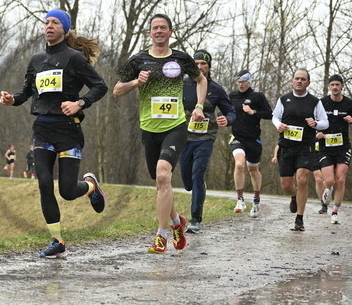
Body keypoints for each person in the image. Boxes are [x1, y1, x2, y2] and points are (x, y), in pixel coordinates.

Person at [0, 8, 108, 258]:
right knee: (45, 183)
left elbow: (100, 86)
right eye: (46, 22)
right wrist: (11, 99)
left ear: (65, 29)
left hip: (68, 130)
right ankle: (57, 241)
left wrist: (80, 103)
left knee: (68, 191)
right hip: (43, 129)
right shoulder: (36, 60)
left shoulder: (75, 58)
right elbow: (26, 92)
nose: (48, 25)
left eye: (55, 22)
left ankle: (90, 187)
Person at [114, 13, 208, 254]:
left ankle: (161, 236)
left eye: (163, 28)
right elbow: (116, 91)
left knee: (164, 177)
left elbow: (201, 80)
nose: (159, 31)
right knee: (159, 183)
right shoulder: (138, 60)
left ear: (170, 32)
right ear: (150, 33)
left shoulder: (181, 58)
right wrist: (136, 82)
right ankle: (177, 223)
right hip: (149, 129)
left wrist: (198, 107)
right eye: (155, 28)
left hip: (175, 126)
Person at [180, 49, 235, 233]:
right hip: (183, 138)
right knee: (188, 181)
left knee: (197, 174)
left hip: (205, 138)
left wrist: (227, 120)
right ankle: (198, 187)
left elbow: (231, 111)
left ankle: (195, 219)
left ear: (209, 67)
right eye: (196, 64)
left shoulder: (216, 89)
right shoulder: (182, 84)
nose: (200, 67)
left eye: (203, 64)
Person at [271, 69, 329, 232]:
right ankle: (293, 196)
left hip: (306, 147)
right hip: (287, 146)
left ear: (308, 83)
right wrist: (278, 125)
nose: (299, 81)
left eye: (303, 79)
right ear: (292, 81)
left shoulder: (314, 102)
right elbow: (274, 116)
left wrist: (316, 124)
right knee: (286, 185)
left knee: (302, 179)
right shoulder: (284, 99)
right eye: (297, 78)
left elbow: (326, 122)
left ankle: (299, 219)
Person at [315, 74, 352, 224]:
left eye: (338, 85)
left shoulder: (349, 104)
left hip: (343, 147)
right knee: (329, 180)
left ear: (342, 86)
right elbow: (312, 122)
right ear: (329, 87)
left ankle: (335, 212)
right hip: (325, 147)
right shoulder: (322, 103)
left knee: (340, 180)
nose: (335, 87)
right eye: (332, 85)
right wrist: (318, 132)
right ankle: (327, 191)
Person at [228, 69, 274, 218]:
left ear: (249, 81)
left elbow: (269, 114)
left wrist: (253, 112)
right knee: (239, 164)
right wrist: (224, 118)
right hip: (237, 137)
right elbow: (225, 111)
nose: (240, 85)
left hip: (253, 139)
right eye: (238, 82)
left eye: (243, 82)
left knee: (253, 170)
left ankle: (256, 201)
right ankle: (240, 199)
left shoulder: (258, 96)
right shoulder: (232, 96)